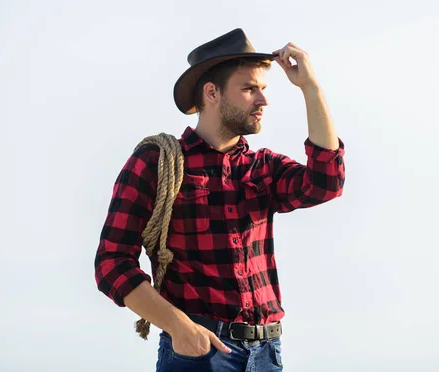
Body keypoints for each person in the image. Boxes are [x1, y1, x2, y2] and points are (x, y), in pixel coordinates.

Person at [94, 28, 345, 371]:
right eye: (248, 89)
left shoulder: (263, 168)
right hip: (199, 352)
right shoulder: (156, 162)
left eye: (263, 89)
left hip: (268, 353)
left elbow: (326, 182)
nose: (263, 100)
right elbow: (112, 262)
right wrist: (180, 327)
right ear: (212, 93)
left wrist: (310, 87)